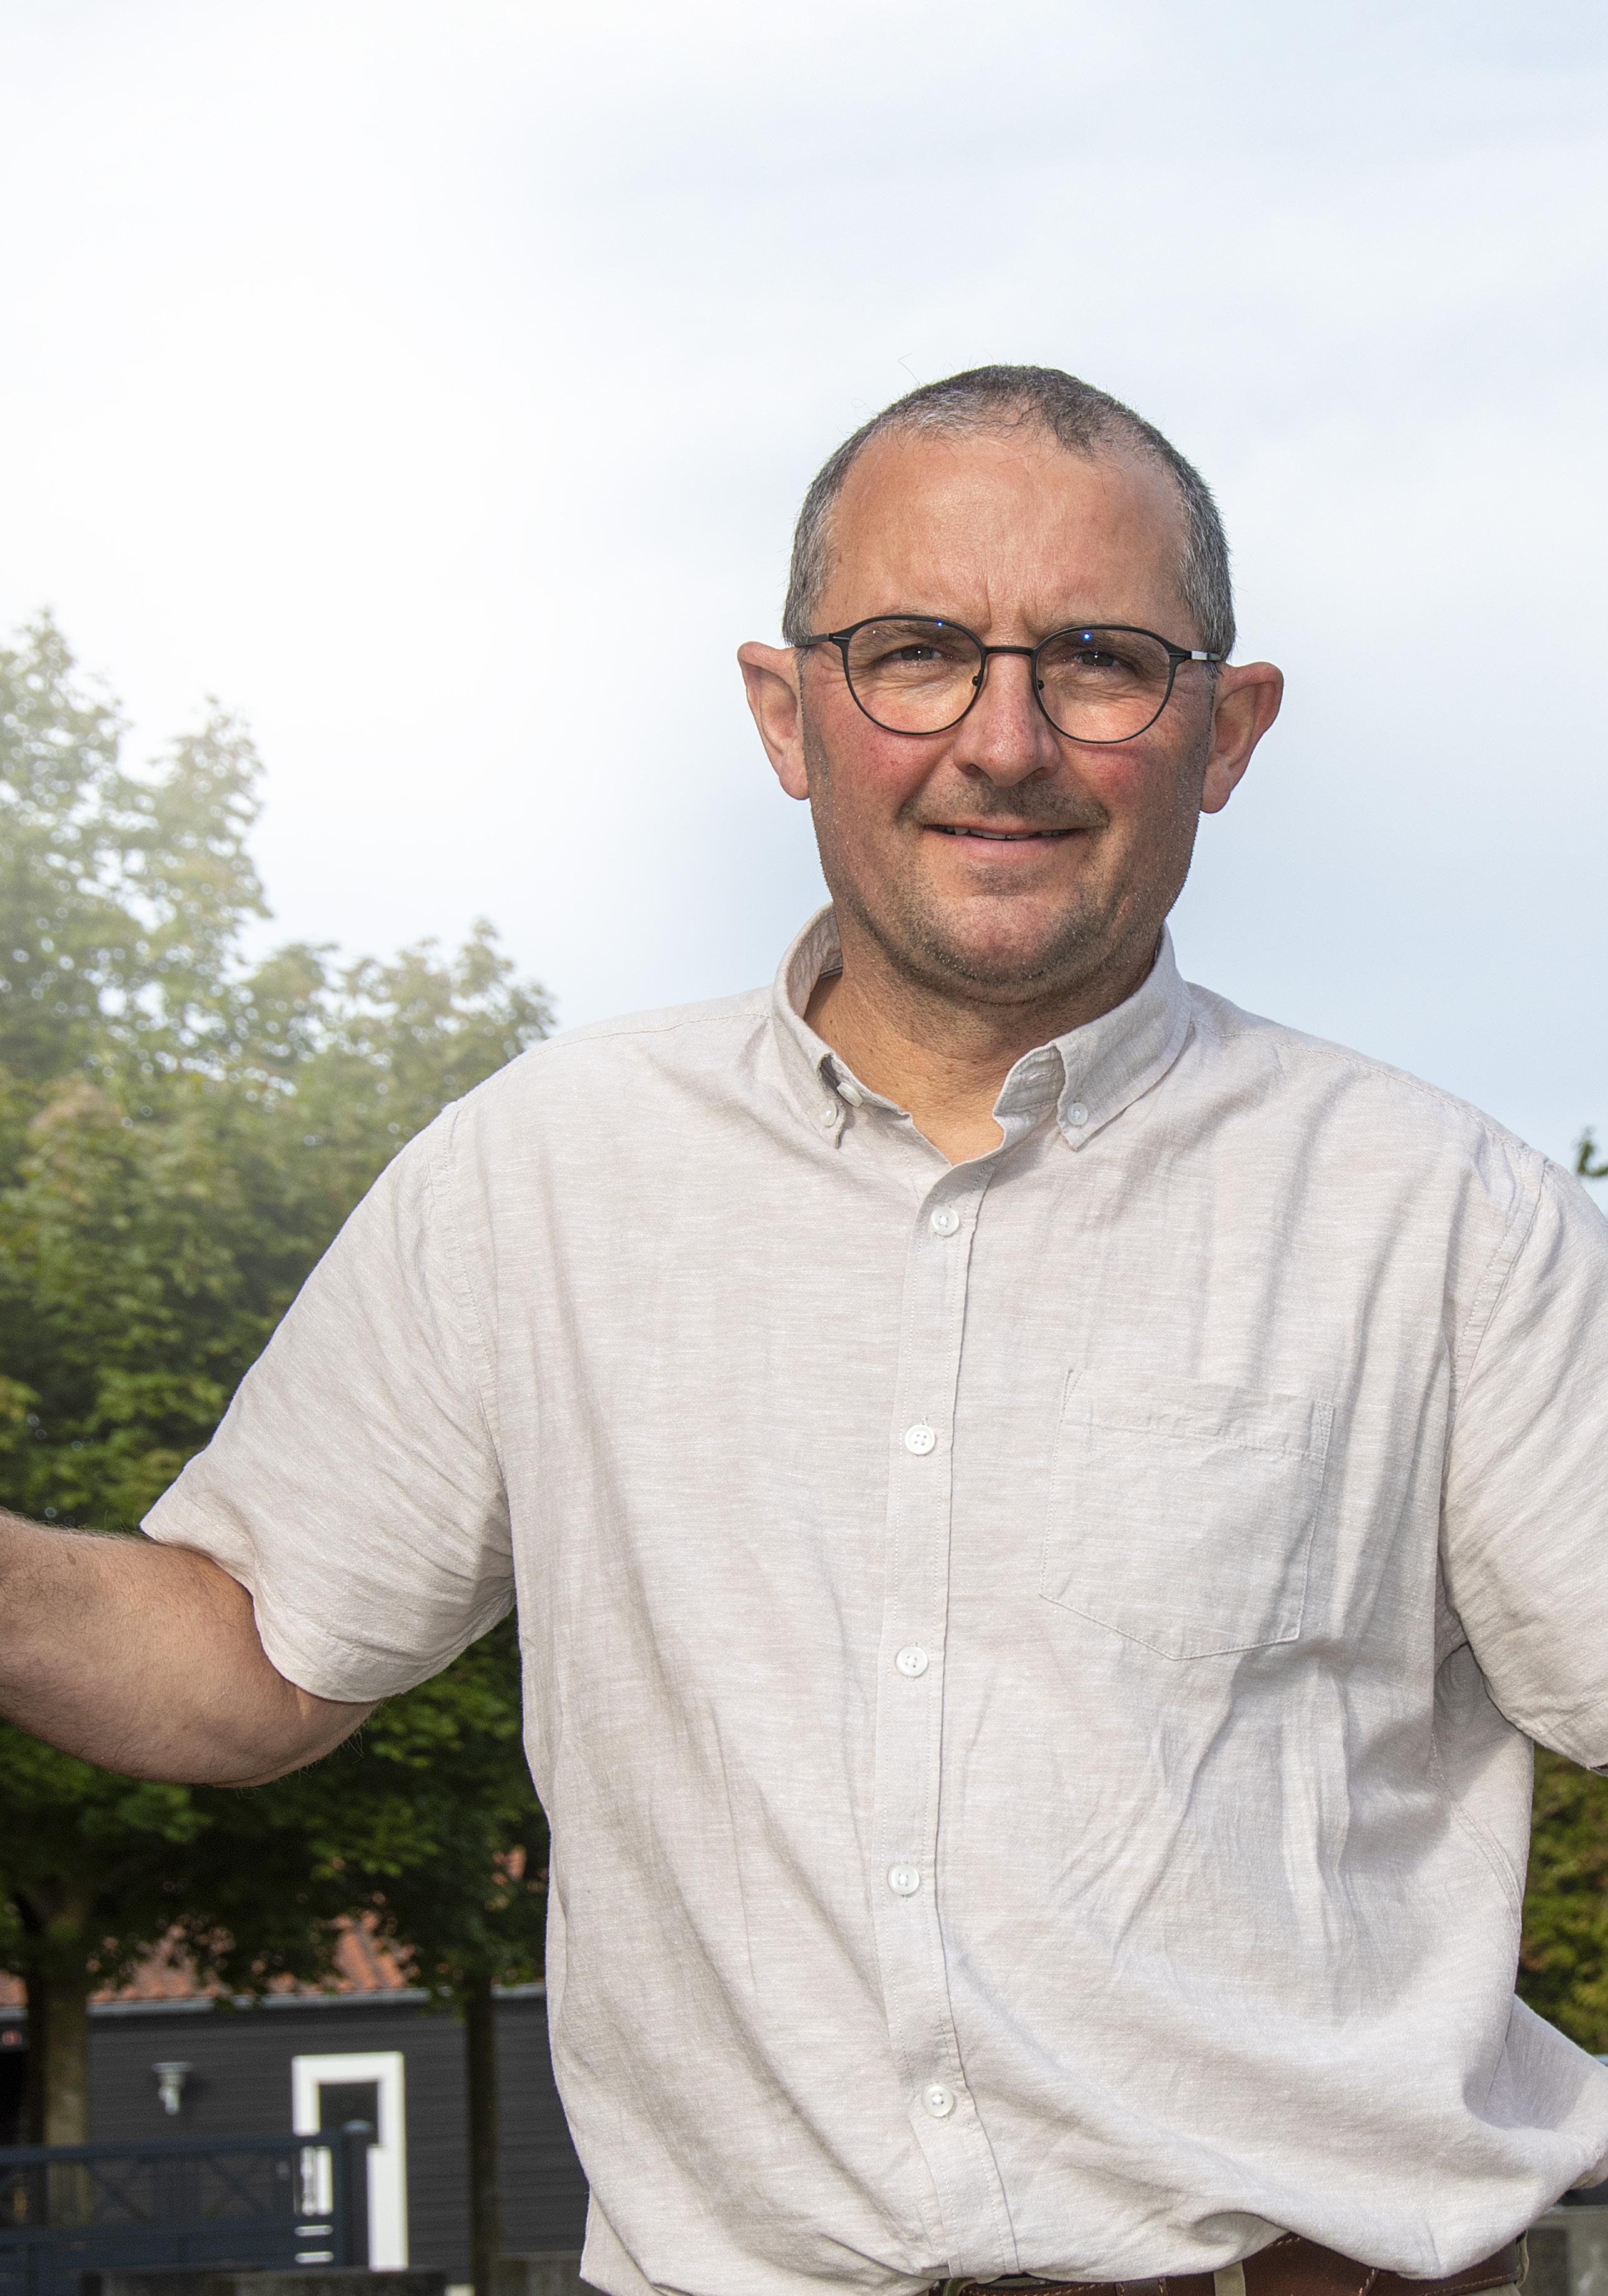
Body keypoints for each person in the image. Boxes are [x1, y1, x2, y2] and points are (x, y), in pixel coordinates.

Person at [3, 363, 1606, 2296]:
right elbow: (244, 1655)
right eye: (912, 653)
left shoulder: (1450, 1219)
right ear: (785, 713)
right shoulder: (540, 1174)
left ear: (1226, 728)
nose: (1001, 741)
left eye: (1097, 661)